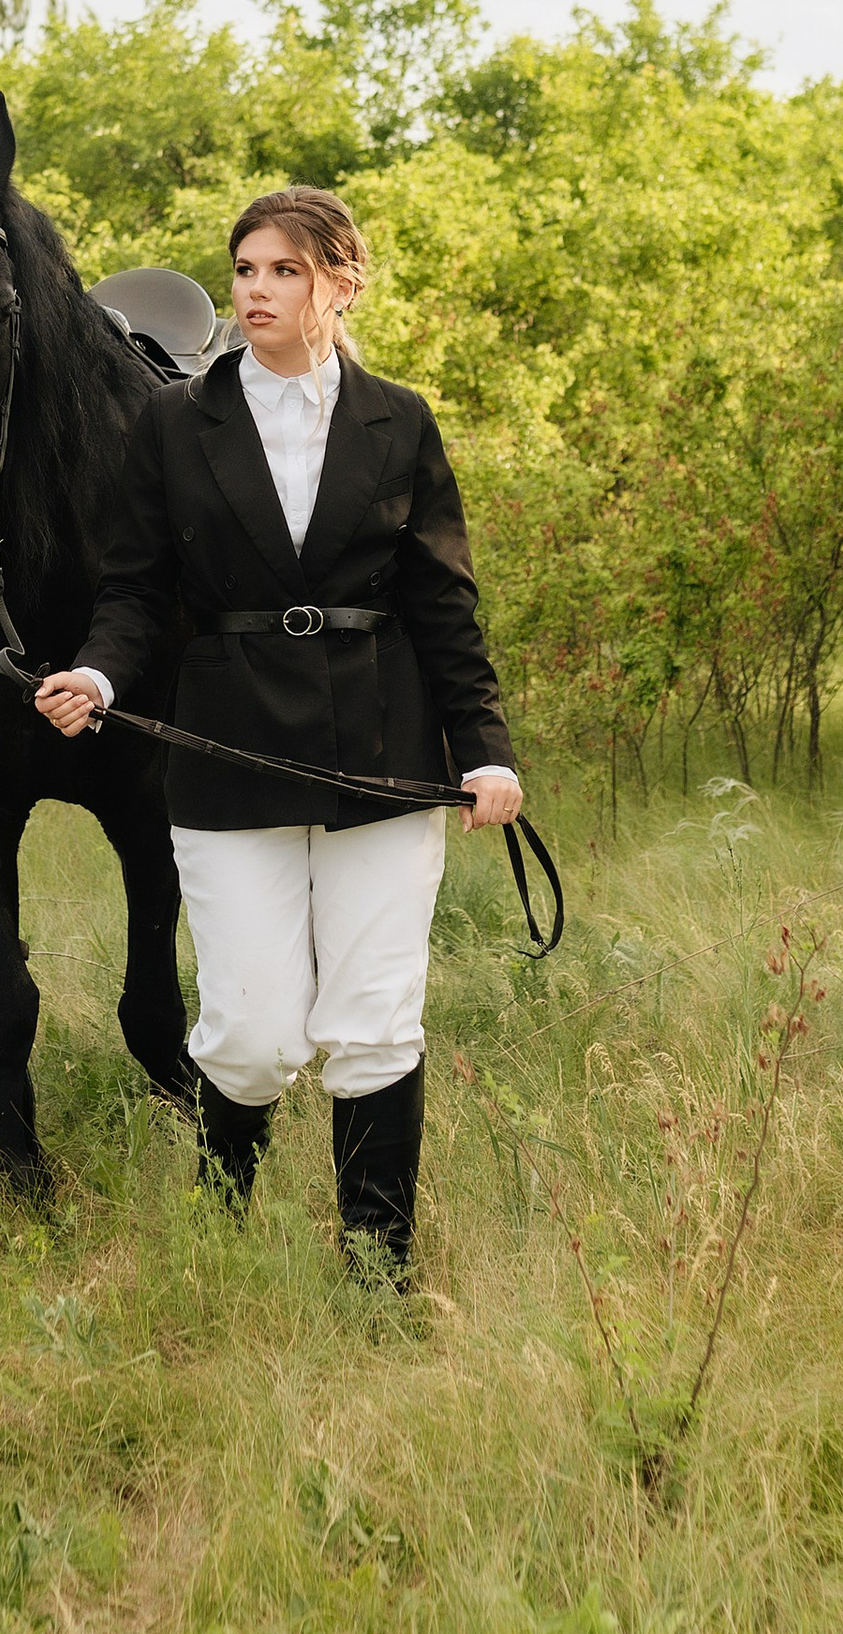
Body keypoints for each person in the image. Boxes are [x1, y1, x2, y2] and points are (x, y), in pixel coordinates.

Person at [35, 185, 523, 1282]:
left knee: (371, 1024)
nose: (253, 289)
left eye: (282, 270)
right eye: (244, 269)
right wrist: (100, 673)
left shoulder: (401, 419)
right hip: (224, 749)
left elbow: (444, 602)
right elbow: (133, 588)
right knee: (250, 1035)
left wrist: (484, 748)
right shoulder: (174, 420)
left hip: (387, 749)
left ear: (340, 284)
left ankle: (377, 1278)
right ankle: (219, 1251)